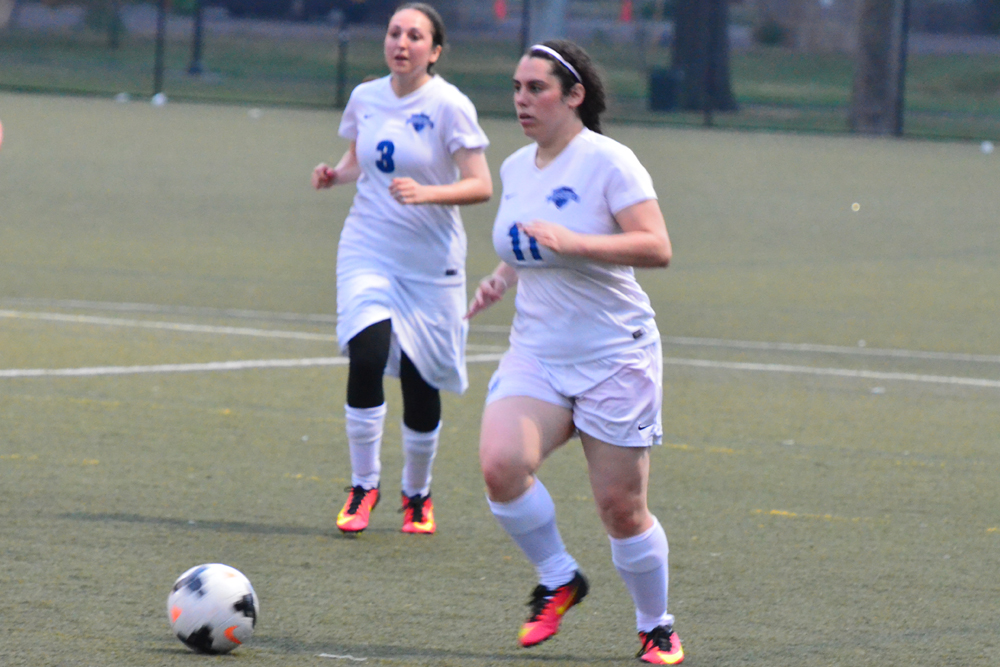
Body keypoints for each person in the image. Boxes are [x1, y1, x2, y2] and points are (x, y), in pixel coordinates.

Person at [465, 41, 683, 664]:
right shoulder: (515, 167)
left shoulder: (610, 162)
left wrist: (576, 242)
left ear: (574, 95)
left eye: (536, 88)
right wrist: (501, 278)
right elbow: (524, 239)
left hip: (616, 354)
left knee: (621, 507)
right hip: (538, 350)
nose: (521, 100)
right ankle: (560, 577)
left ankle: (655, 624)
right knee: (500, 465)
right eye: (517, 88)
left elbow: (656, 246)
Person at [312, 2, 492, 535]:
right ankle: (363, 484)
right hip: (368, 247)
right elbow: (361, 159)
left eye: (415, 36)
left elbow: (480, 184)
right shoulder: (365, 97)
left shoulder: (449, 106)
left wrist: (429, 193)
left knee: (421, 376)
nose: (402, 42)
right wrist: (336, 174)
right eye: (395, 33)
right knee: (365, 352)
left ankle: (418, 493)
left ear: (433, 51)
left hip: (430, 262)